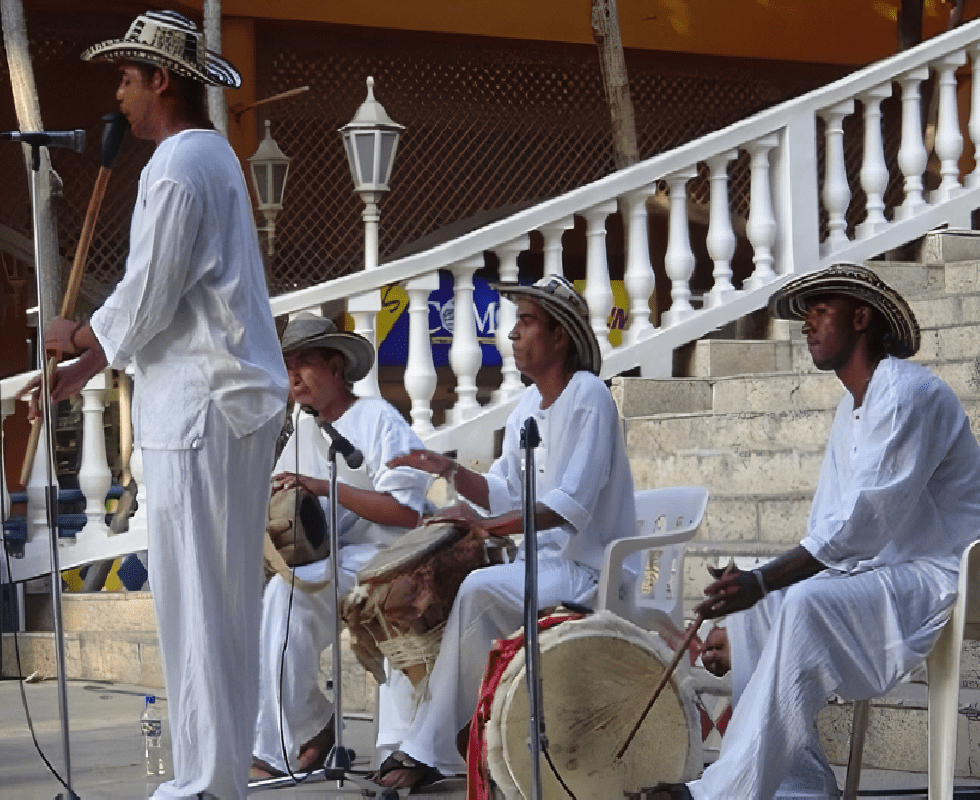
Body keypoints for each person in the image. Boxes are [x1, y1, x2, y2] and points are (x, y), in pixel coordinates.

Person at [640, 263, 980, 800]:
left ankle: (719, 794)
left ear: (861, 317)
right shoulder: (850, 409)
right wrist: (752, 591)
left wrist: (766, 579)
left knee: (802, 603)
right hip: (891, 571)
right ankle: (799, 787)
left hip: (952, 574)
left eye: (819, 311)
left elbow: (859, 525)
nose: (806, 325)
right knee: (762, 608)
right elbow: (828, 531)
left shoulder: (910, 394)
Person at [32, 10, 287, 799]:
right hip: (218, 404)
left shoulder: (178, 164)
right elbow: (165, 299)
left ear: (160, 81)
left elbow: (150, 291)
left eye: (126, 78)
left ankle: (208, 779)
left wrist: (81, 335)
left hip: (203, 408)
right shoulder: (211, 157)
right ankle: (213, 773)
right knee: (216, 598)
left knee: (198, 598)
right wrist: (91, 362)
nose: (119, 93)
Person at [374, 275, 637, 789]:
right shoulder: (525, 410)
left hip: (586, 571)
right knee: (430, 597)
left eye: (527, 322)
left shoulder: (588, 397)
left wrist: (482, 524)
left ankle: (434, 749)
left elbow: (568, 506)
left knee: (474, 589)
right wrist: (445, 470)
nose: (513, 335)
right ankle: (450, 732)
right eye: (516, 323)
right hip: (539, 568)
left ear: (559, 336)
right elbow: (500, 490)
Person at [250, 314, 431, 779]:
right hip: (337, 562)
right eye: (287, 364)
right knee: (272, 599)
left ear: (335, 366)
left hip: (393, 557)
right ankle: (310, 726)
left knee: (290, 597)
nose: (293, 375)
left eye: (305, 363)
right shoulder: (302, 426)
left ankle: (277, 750)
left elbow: (406, 512)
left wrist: (325, 485)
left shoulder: (377, 418)